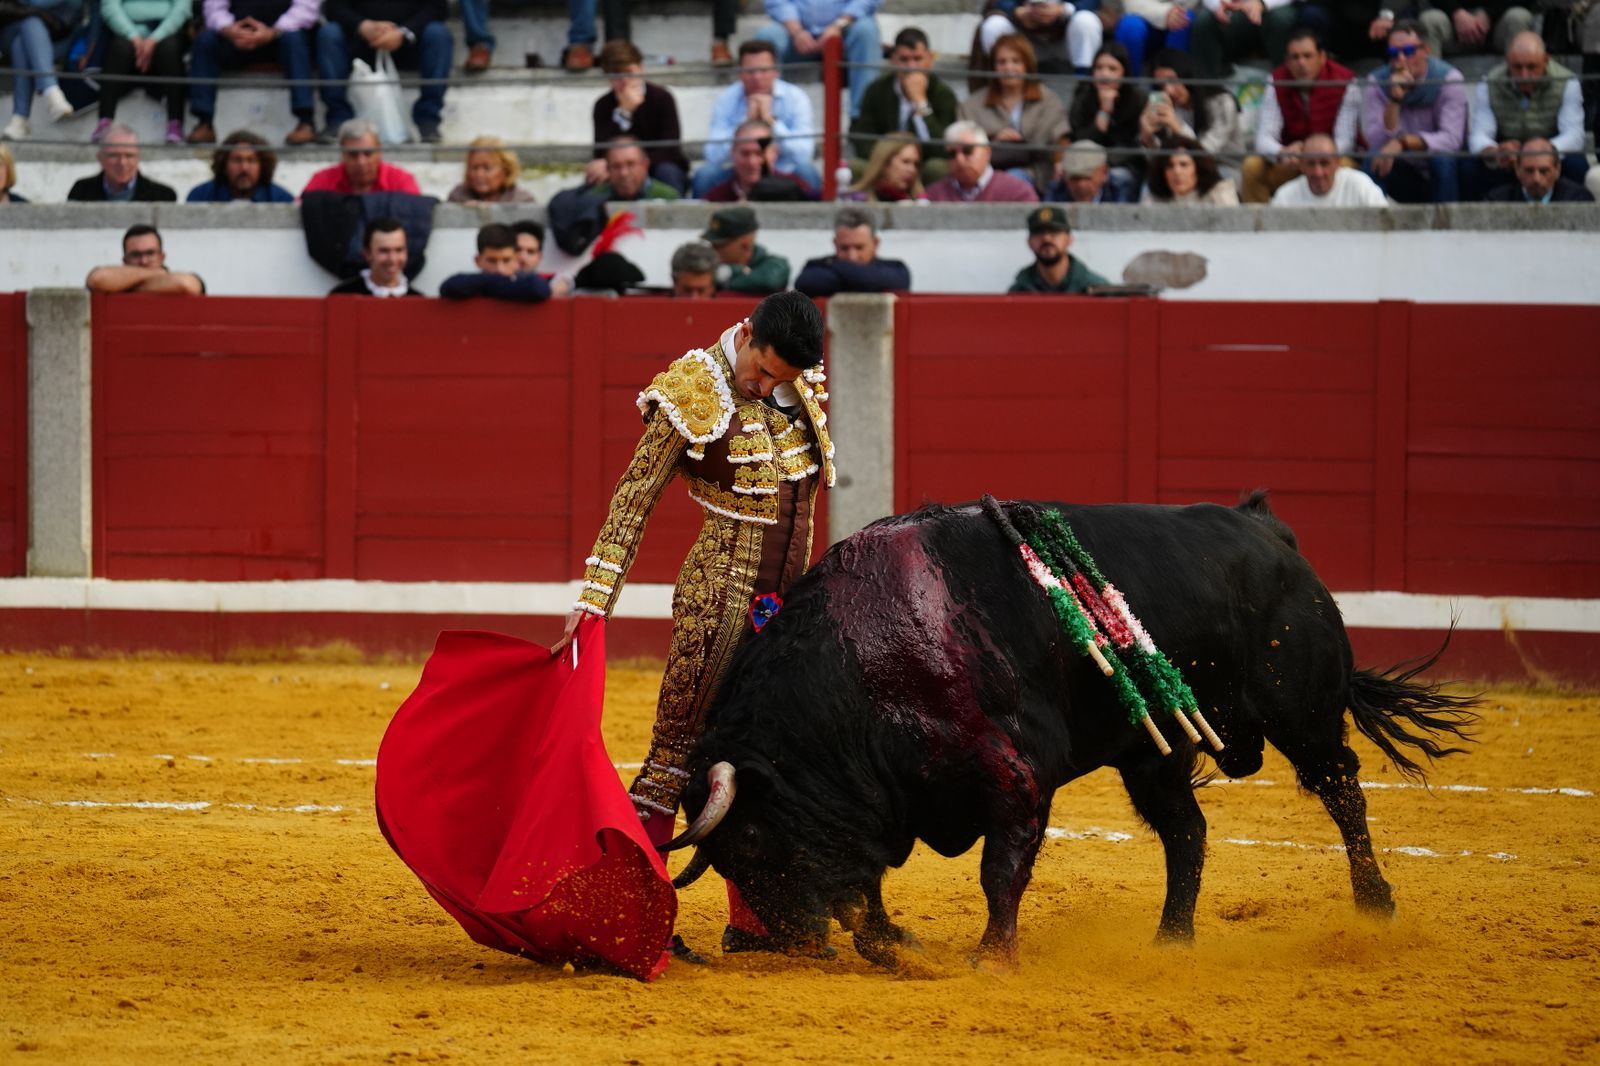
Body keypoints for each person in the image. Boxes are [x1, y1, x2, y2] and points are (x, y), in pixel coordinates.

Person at [552, 290, 836, 957]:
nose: (765, 387)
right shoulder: (692, 389)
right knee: (673, 761)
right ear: (745, 333)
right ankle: (631, 921)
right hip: (718, 599)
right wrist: (595, 598)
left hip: (785, 610)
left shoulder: (802, 385)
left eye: (780, 380)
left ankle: (761, 924)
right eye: (761, 371)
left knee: (771, 760)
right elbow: (633, 498)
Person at [1464, 32, 1588, 200]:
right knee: (1468, 167)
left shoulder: (1567, 81)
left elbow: (1574, 135)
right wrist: (1495, 151)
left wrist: (1536, 152)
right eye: (1517, 67)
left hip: (1549, 151)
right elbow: (1479, 134)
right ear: (1507, 62)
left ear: (1546, 60)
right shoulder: (1489, 83)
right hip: (1508, 154)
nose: (1524, 75)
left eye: (1532, 67)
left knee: (1577, 165)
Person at [1241, 28, 1358, 203]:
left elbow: (1346, 141)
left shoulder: (1346, 81)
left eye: (1307, 56)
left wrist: (1313, 154)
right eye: (1295, 57)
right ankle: (1259, 228)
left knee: (1348, 165)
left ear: (1322, 57)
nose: (1301, 63)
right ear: (1287, 61)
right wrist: (1282, 152)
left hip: (1327, 161)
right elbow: (1263, 138)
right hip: (1291, 161)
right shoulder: (1276, 80)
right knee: (1252, 167)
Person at [695, 39, 820, 197]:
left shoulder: (795, 97)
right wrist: (745, 124)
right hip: (740, 167)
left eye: (763, 70)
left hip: (782, 166)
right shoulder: (726, 99)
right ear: (739, 73)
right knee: (705, 175)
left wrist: (771, 122)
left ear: (776, 71)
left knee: (807, 172)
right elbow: (713, 155)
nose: (757, 77)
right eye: (750, 71)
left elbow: (804, 154)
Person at [1360, 21, 1467, 203]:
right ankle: (1373, 227)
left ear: (1425, 50)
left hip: (1444, 171)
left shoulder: (1448, 79)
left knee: (1442, 159)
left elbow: (1452, 139)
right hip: (1404, 169)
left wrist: (1404, 142)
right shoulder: (1378, 82)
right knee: (1373, 160)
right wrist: (1395, 100)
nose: (1400, 59)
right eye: (1393, 54)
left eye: (1408, 51)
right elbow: (1376, 140)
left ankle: (1447, 228)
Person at [315, 0, 451, 144]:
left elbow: (438, 8)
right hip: (358, 41)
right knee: (329, 34)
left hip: (410, 42)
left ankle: (428, 119)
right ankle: (338, 118)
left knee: (438, 34)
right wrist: (361, 26)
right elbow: (332, 7)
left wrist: (404, 32)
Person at [187, 0, 320, 146]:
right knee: (205, 41)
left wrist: (273, 31)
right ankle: (204, 123)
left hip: (280, 37)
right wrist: (230, 30)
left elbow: (306, 9)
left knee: (295, 41)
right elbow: (214, 8)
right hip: (236, 39)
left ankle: (306, 122)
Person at [958, 33, 1069, 194]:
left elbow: (1061, 137)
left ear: (1027, 65)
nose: (1009, 68)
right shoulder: (971, 105)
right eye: (1001, 62)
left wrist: (1058, 160)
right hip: (985, 174)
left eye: (1016, 61)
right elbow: (962, 144)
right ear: (993, 67)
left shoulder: (1048, 101)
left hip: (1036, 172)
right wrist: (992, 140)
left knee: (1013, 178)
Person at [848, 27, 958, 184]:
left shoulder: (943, 95)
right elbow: (863, 140)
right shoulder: (876, 90)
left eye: (917, 59)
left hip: (923, 166)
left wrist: (921, 103)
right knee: (855, 167)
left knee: (938, 169)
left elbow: (943, 149)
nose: (911, 67)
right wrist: (890, 163)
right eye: (904, 59)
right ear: (893, 60)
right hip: (885, 165)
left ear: (929, 60)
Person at [588, 40, 690, 194]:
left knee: (668, 172)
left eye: (629, 73)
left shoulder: (662, 98)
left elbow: (671, 149)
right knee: (596, 174)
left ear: (641, 69)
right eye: (617, 76)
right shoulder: (603, 105)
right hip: (619, 168)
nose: (625, 82)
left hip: (658, 165)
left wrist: (636, 165)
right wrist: (623, 113)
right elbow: (601, 151)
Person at [752, 0, 882, 118]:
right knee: (766, 38)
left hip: (847, 28)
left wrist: (838, 25)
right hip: (793, 32)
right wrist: (797, 31)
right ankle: (765, 115)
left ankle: (862, 118)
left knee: (866, 32)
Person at [94, 0, 191, 145]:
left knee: (169, 50)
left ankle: (175, 124)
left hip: (167, 32)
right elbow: (109, 7)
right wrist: (133, 36)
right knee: (119, 48)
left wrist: (154, 39)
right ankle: (105, 123)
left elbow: (182, 9)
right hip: (126, 32)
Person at [1139, 48, 1245, 167]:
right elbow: (1162, 164)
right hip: (1183, 172)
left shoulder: (1222, 102)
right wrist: (1147, 138)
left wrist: (1177, 126)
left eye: (1172, 80)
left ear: (1186, 74)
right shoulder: (1169, 107)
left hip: (1224, 167)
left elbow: (1205, 154)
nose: (1169, 90)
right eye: (1161, 85)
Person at [1065, 42, 1148, 186]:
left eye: (1112, 69)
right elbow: (1080, 140)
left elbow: (1135, 147)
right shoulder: (1083, 95)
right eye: (1099, 68)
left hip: (1125, 164)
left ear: (1124, 74)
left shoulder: (1138, 99)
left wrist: (1105, 163)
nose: (1104, 74)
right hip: (1087, 163)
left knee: (1117, 178)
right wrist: (1104, 111)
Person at [0, 0, 79, 141]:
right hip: (12, 25)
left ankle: (21, 118)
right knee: (32, 22)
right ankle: (51, 90)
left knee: (22, 43)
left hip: (59, 36)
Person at [794, 205, 911, 295]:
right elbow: (805, 282)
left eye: (859, 247)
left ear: (875, 243)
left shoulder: (896, 270)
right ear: (835, 244)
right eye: (844, 248)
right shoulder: (814, 270)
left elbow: (895, 281)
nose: (852, 256)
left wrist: (832, 264)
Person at [440, 223, 569, 302]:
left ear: (516, 260)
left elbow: (538, 289)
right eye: (491, 260)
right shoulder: (468, 283)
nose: (499, 268)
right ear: (478, 261)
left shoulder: (526, 282)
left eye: (506, 260)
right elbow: (449, 287)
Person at [925, 121, 1041, 202]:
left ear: (987, 152)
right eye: (952, 154)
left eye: (967, 150)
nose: (959, 159)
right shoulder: (933, 195)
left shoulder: (1018, 192)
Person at [1189, 0, 1306, 78]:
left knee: (1280, 20)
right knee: (1203, 23)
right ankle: (1209, 98)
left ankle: (1288, 91)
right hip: (1233, 9)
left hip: (1275, 7)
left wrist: (1262, 3)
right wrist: (1218, 5)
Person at [706, 120, 816, 202]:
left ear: (774, 153)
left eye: (760, 154)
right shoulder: (717, 197)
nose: (752, 162)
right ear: (732, 153)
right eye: (745, 154)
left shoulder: (797, 190)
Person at [302, 119, 421, 195]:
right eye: (353, 155)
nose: (361, 162)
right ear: (342, 154)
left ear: (379, 151)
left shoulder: (401, 181)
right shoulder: (322, 180)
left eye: (368, 153)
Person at [1008, 205, 1109, 292]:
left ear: (1069, 239)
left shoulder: (1096, 289)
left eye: (1054, 232)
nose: (1046, 238)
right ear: (1029, 242)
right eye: (1039, 232)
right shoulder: (1019, 292)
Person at [1270, 131, 1389, 205]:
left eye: (1324, 163)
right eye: (1311, 164)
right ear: (1301, 165)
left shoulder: (1360, 185)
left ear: (1337, 163)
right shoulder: (1285, 197)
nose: (1318, 172)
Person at [85, 224, 205, 294]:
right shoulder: (111, 280)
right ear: (125, 260)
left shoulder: (175, 278)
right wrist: (156, 273)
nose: (144, 261)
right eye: (135, 255)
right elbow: (97, 279)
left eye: (150, 253)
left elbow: (186, 284)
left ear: (162, 257)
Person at [67, 126, 177, 201]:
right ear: (100, 158)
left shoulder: (163, 196)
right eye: (114, 155)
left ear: (138, 158)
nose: (122, 163)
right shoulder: (81, 191)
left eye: (129, 156)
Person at [703, 206, 792, 294]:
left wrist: (728, 273)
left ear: (745, 244)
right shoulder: (706, 265)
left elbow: (769, 281)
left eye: (720, 245)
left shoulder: (775, 264)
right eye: (713, 244)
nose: (713, 250)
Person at [186, 130, 295, 202]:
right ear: (224, 164)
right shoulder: (200, 196)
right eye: (237, 160)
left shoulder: (281, 199)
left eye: (251, 160)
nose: (244, 167)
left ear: (263, 165)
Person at [328, 217, 424, 295]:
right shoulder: (342, 296)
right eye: (384, 251)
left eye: (399, 250)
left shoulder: (419, 301)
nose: (392, 259)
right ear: (367, 254)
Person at [1484, 138, 1596, 202]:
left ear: (1557, 169)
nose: (1536, 179)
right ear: (1517, 170)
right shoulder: (1496, 200)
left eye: (1544, 171)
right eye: (1529, 171)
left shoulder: (1578, 200)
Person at [1141, 135, 1240, 202]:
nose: (1177, 172)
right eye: (1169, 166)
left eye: (1184, 164)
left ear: (1198, 167)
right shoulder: (1154, 198)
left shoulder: (1220, 191)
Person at [1417, 0, 1532, 56]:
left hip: (1499, 26)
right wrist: (1456, 12)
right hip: (1453, 26)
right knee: (1429, 20)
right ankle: (1430, 92)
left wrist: (1489, 14)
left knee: (1519, 17)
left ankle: (1518, 88)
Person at [589, 138, 682, 202]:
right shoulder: (594, 199)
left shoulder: (669, 199)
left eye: (631, 164)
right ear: (607, 169)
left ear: (645, 165)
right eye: (616, 166)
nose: (624, 173)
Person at [446, 136, 534, 203]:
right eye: (474, 168)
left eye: (487, 168)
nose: (479, 175)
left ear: (506, 170)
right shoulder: (458, 197)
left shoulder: (522, 200)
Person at [844, 132, 926, 201]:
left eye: (916, 164)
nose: (912, 170)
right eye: (905, 162)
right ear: (885, 163)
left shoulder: (922, 202)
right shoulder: (855, 200)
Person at [1045, 140, 1137, 202]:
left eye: (1087, 177)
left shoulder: (1120, 187)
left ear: (1104, 172)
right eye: (1075, 178)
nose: (1081, 185)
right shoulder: (1056, 190)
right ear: (1065, 177)